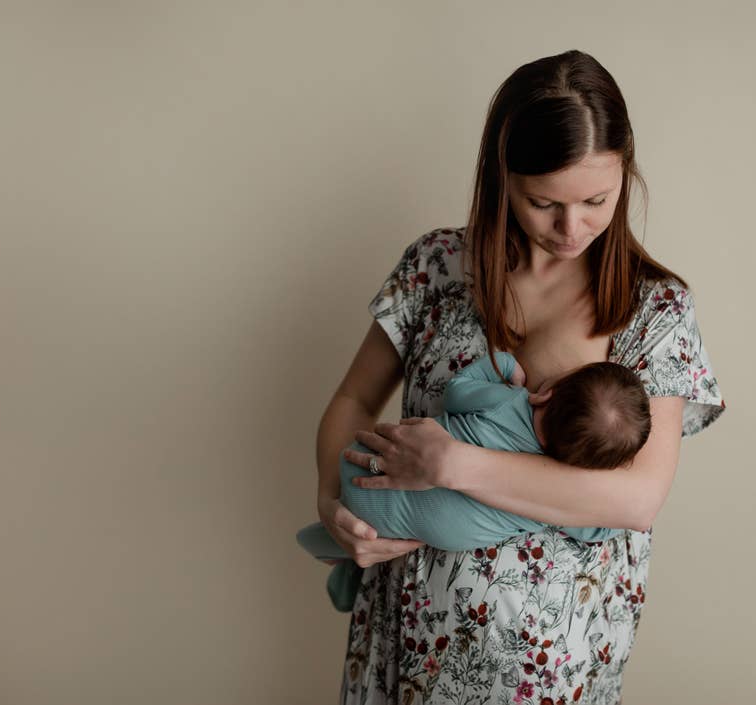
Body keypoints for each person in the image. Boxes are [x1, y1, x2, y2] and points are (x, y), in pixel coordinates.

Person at [316, 49, 725, 705]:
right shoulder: (438, 266)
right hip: (405, 640)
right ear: (501, 177)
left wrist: (456, 464)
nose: (571, 227)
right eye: (543, 202)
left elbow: (636, 498)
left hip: (552, 669)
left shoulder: (655, 310)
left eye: (596, 200)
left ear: (625, 175)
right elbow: (353, 398)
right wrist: (330, 502)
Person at [298, 350, 653, 612]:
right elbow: (598, 526)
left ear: (547, 393)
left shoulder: (509, 403)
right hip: (417, 531)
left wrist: (504, 364)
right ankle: (344, 564)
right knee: (391, 531)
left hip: (361, 474)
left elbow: (456, 392)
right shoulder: (550, 501)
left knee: (369, 513)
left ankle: (338, 554)